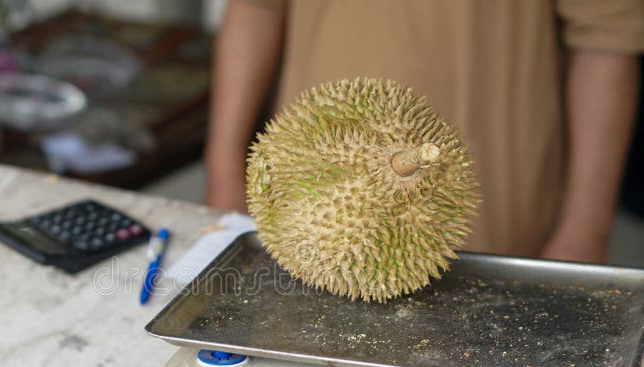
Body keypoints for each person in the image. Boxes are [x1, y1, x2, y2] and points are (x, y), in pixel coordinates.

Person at [204, 0, 644, 263]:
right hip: (311, 205)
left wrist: (586, 231)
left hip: (497, 225)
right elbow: (256, 7)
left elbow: (606, 42)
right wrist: (224, 172)